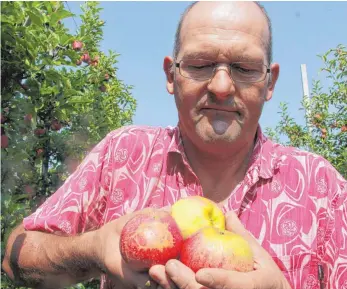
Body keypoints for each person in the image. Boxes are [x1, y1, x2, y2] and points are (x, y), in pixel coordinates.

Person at [2, 1, 346, 289]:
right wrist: (94, 247)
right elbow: (15, 258)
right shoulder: (123, 155)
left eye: (244, 67)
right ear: (171, 75)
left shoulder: (320, 187)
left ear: (270, 83)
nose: (222, 86)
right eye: (200, 64)